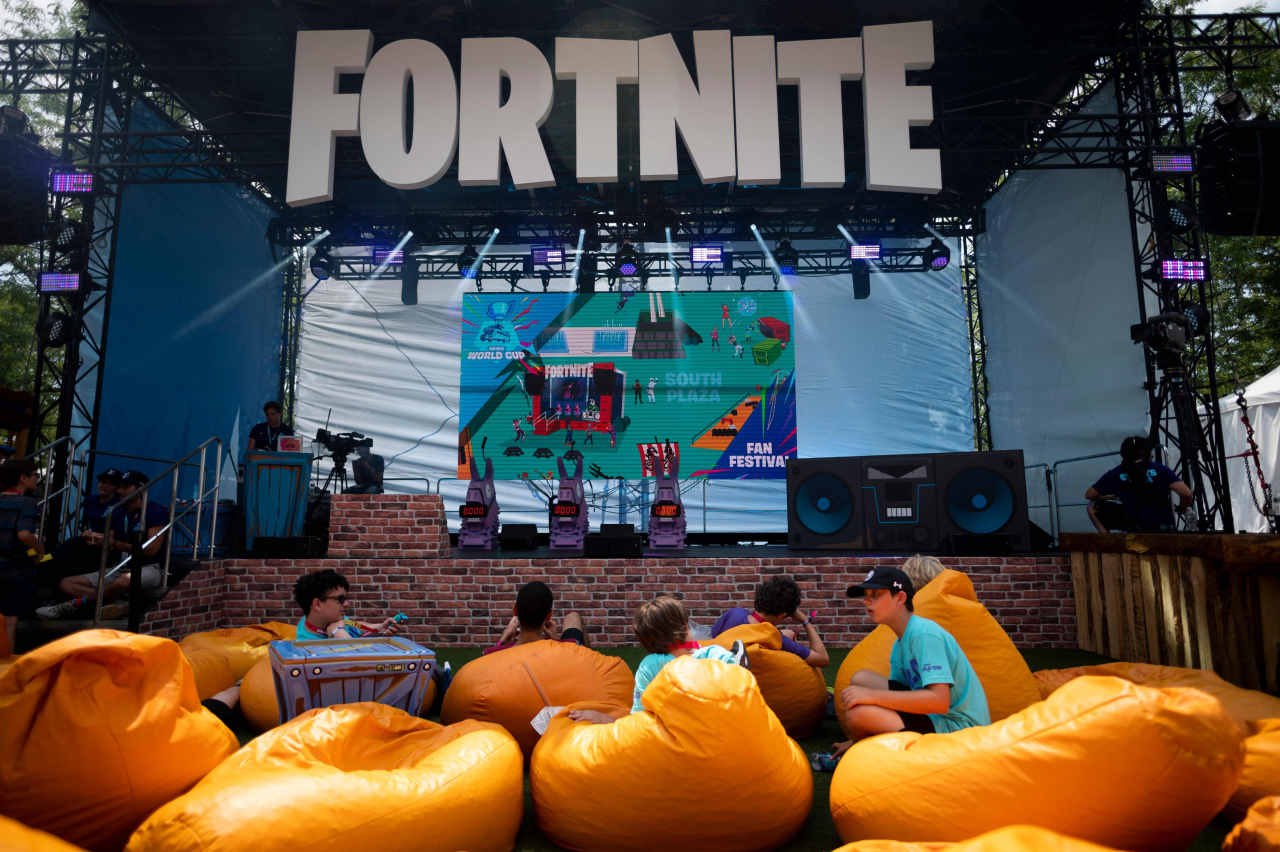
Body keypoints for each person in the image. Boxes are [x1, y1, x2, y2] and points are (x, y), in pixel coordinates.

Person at [828, 566, 989, 761]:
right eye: (866, 596)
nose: (866, 601)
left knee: (858, 714)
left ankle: (863, 757)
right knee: (861, 678)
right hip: (934, 718)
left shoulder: (925, 634)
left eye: (875, 595)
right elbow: (900, 697)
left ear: (900, 598)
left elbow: (939, 701)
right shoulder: (900, 643)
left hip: (960, 731)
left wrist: (871, 697)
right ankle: (862, 748)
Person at [568, 595, 747, 724]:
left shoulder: (650, 665)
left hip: (668, 726)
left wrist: (607, 720)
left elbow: (639, 714)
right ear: (685, 626)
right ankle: (734, 663)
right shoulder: (708, 654)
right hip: (710, 719)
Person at [37, 470, 169, 619]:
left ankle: (71, 605)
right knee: (66, 583)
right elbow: (110, 541)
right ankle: (114, 603)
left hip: (151, 568)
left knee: (123, 581)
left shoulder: (155, 511)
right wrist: (96, 538)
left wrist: (115, 543)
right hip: (122, 566)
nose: (120, 491)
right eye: (119, 487)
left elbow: (151, 550)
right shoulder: (118, 510)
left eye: (125, 487)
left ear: (140, 489)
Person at [711, 576, 830, 668]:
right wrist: (805, 621)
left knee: (789, 633)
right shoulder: (773, 636)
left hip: (716, 668)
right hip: (749, 678)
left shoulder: (734, 613)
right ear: (782, 615)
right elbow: (823, 659)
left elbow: (714, 636)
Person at [1085, 436, 1193, 533]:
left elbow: (1089, 495)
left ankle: (1109, 542)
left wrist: (1114, 495)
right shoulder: (1160, 469)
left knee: (1092, 506)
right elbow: (1186, 494)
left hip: (1135, 529)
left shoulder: (1115, 473)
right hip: (1164, 528)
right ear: (1146, 453)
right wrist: (1182, 508)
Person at [0, 459, 43, 648]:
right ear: (22, 478)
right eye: (35, 475)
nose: (37, 479)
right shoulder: (27, 503)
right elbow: (24, 535)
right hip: (14, 568)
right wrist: (39, 550)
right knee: (10, 620)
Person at [293, 568, 404, 639]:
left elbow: (354, 625)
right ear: (317, 604)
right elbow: (358, 661)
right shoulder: (306, 647)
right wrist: (339, 633)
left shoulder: (328, 619)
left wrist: (378, 628)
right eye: (340, 599)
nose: (347, 603)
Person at [485, 580, 586, 654]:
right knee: (573, 617)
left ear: (515, 611)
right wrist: (556, 640)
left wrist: (502, 642)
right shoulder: (572, 649)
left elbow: (486, 660)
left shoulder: (491, 654)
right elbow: (578, 653)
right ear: (549, 616)